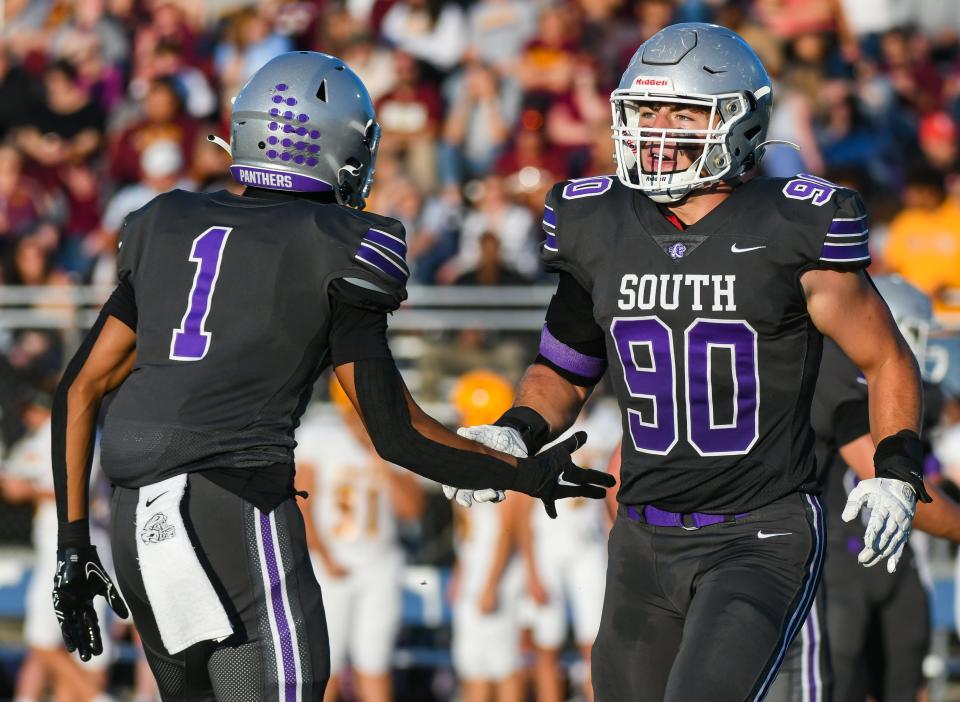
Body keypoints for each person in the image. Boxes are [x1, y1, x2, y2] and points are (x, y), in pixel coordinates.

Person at [48, 51, 614, 702]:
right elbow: (396, 434)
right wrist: (522, 473)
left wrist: (71, 542)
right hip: (234, 508)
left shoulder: (166, 221)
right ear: (338, 146)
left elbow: (81, 387)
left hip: (132, 516)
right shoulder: (338, 240)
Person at [443, 23, 927, 702]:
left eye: (685, 111)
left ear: (739, 122)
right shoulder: (598, 223)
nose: (659, 129)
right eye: (647, 110)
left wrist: (897, 468)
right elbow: (564, 363)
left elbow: (886, 358)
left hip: (758, 535)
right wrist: (515, 430)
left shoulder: (791, 227)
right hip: (641, 533)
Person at [768, 275, 960, 702]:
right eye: (912, 333)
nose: (920, 348)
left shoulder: (918, 398)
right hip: (835, 560)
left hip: (890, 560)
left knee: (907, 681)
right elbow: (888, 480)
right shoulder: (831, 379)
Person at [294, 376, 425, 702]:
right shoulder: (319, 434)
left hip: (379, 563)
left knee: (375, 659)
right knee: (326, 665)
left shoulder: (394, 438)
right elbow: (301, 503)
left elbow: (411, 510)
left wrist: (376, 452)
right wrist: (323, 556)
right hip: (330, 562)